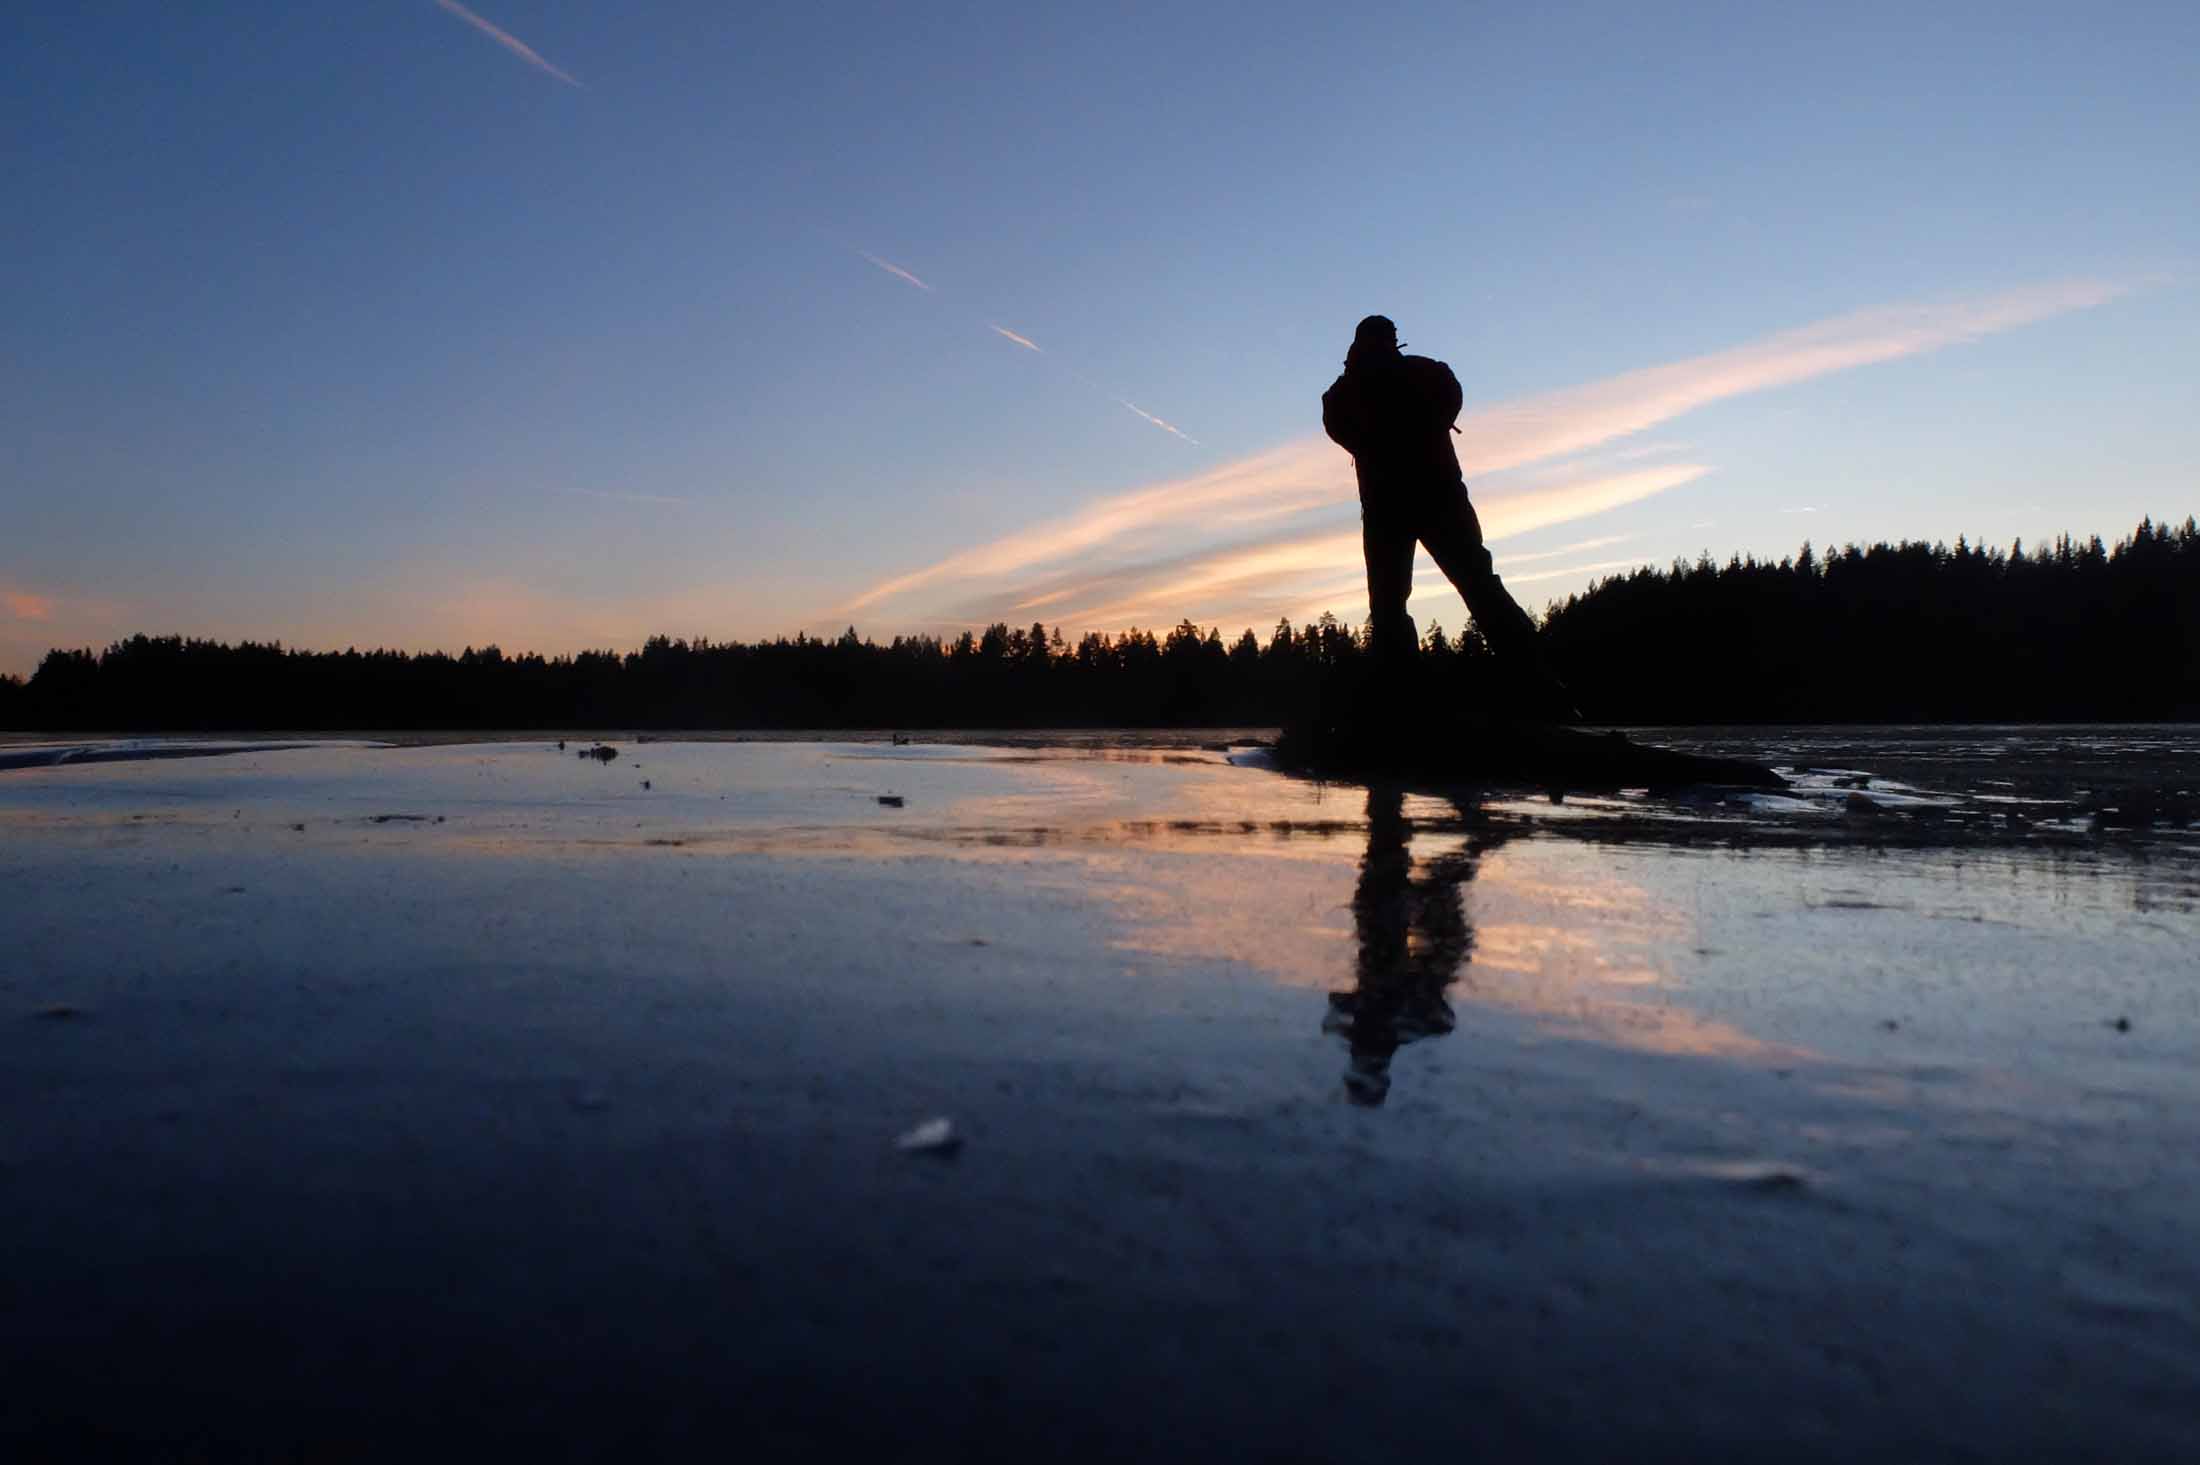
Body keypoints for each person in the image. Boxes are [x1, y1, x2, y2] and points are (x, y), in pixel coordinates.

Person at [1321, 314, 1575, 718]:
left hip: (1419, 502)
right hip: (1417, 502)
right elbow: (1340, 424)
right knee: (1448, 592)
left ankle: (1537, 688)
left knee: (1428, 596)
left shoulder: (1360, 388)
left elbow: (1342, 424)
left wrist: (1387, 438)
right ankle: (1535, 688)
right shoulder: (1401, 378)